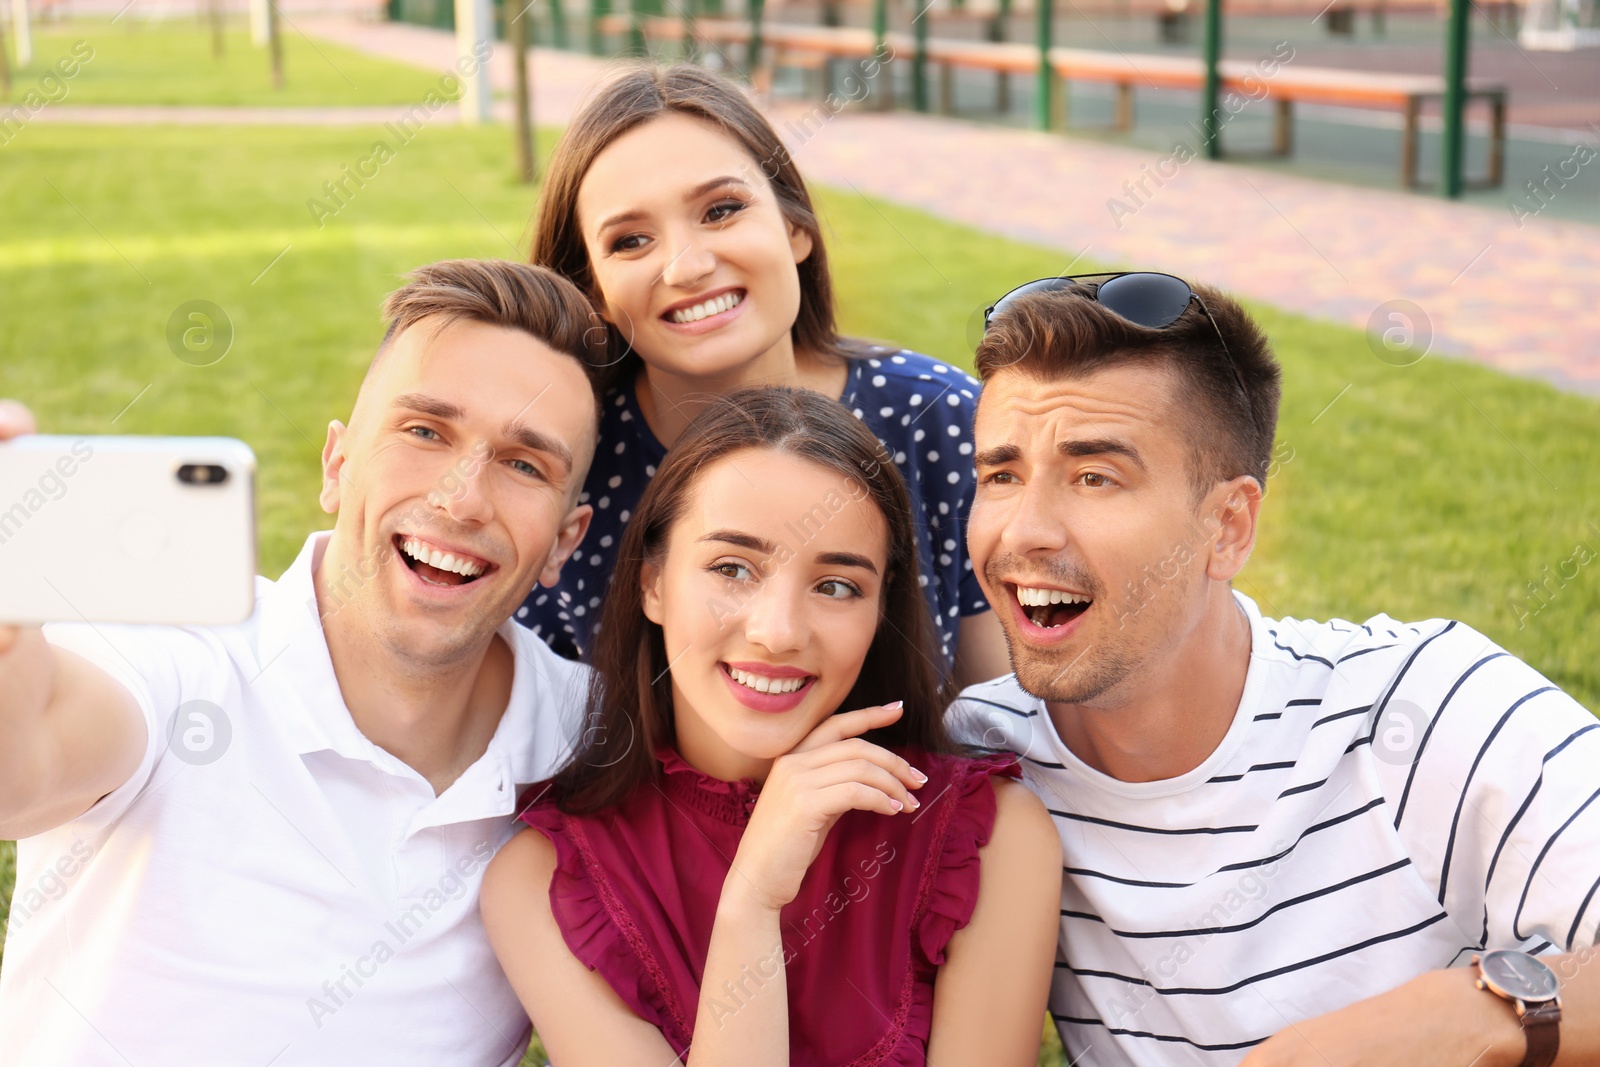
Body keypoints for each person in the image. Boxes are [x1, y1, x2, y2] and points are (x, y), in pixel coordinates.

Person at [947, 272, 1600, 1067]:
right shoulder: (980, 763)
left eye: (1095, 476)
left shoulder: (1423, 706)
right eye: (1002, 476)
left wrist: (1464, 1018)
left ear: (1228, 526)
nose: (1026, 530)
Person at [0, 260, 603, 1065]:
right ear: (336, 465)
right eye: (424, 431)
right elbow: (25, 756)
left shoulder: (591, 741)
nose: (462, 499)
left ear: (566, 539)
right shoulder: (180, 656)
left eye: (525, 464)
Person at [481, 387, 1061, 1066]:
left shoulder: (988, 836)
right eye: (732, 568)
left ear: (880, 610)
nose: (777, 630)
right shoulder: (545, 879)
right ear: (654, 583)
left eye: (837, 585)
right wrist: (751, 903)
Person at [516, 62, 1009, 687]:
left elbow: (1006, 726)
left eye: (721, 210)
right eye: (631, 241)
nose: (687, 265)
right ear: (592, 290)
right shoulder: (565, 461)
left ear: (795, 227)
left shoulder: (937, 419)